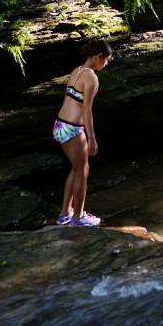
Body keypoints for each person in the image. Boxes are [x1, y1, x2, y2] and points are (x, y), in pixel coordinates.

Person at [53, 39, 113, 227]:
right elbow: (86, 110)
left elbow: (67, 100)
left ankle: (65, 214)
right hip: (72, 128)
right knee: (83, 171)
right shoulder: (92, 77)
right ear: (98, 57)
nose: (107, 64)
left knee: (76, 169)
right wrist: (92, 137)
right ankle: (78, 218)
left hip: (60, 125)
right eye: (106, 60)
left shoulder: (76, 71)